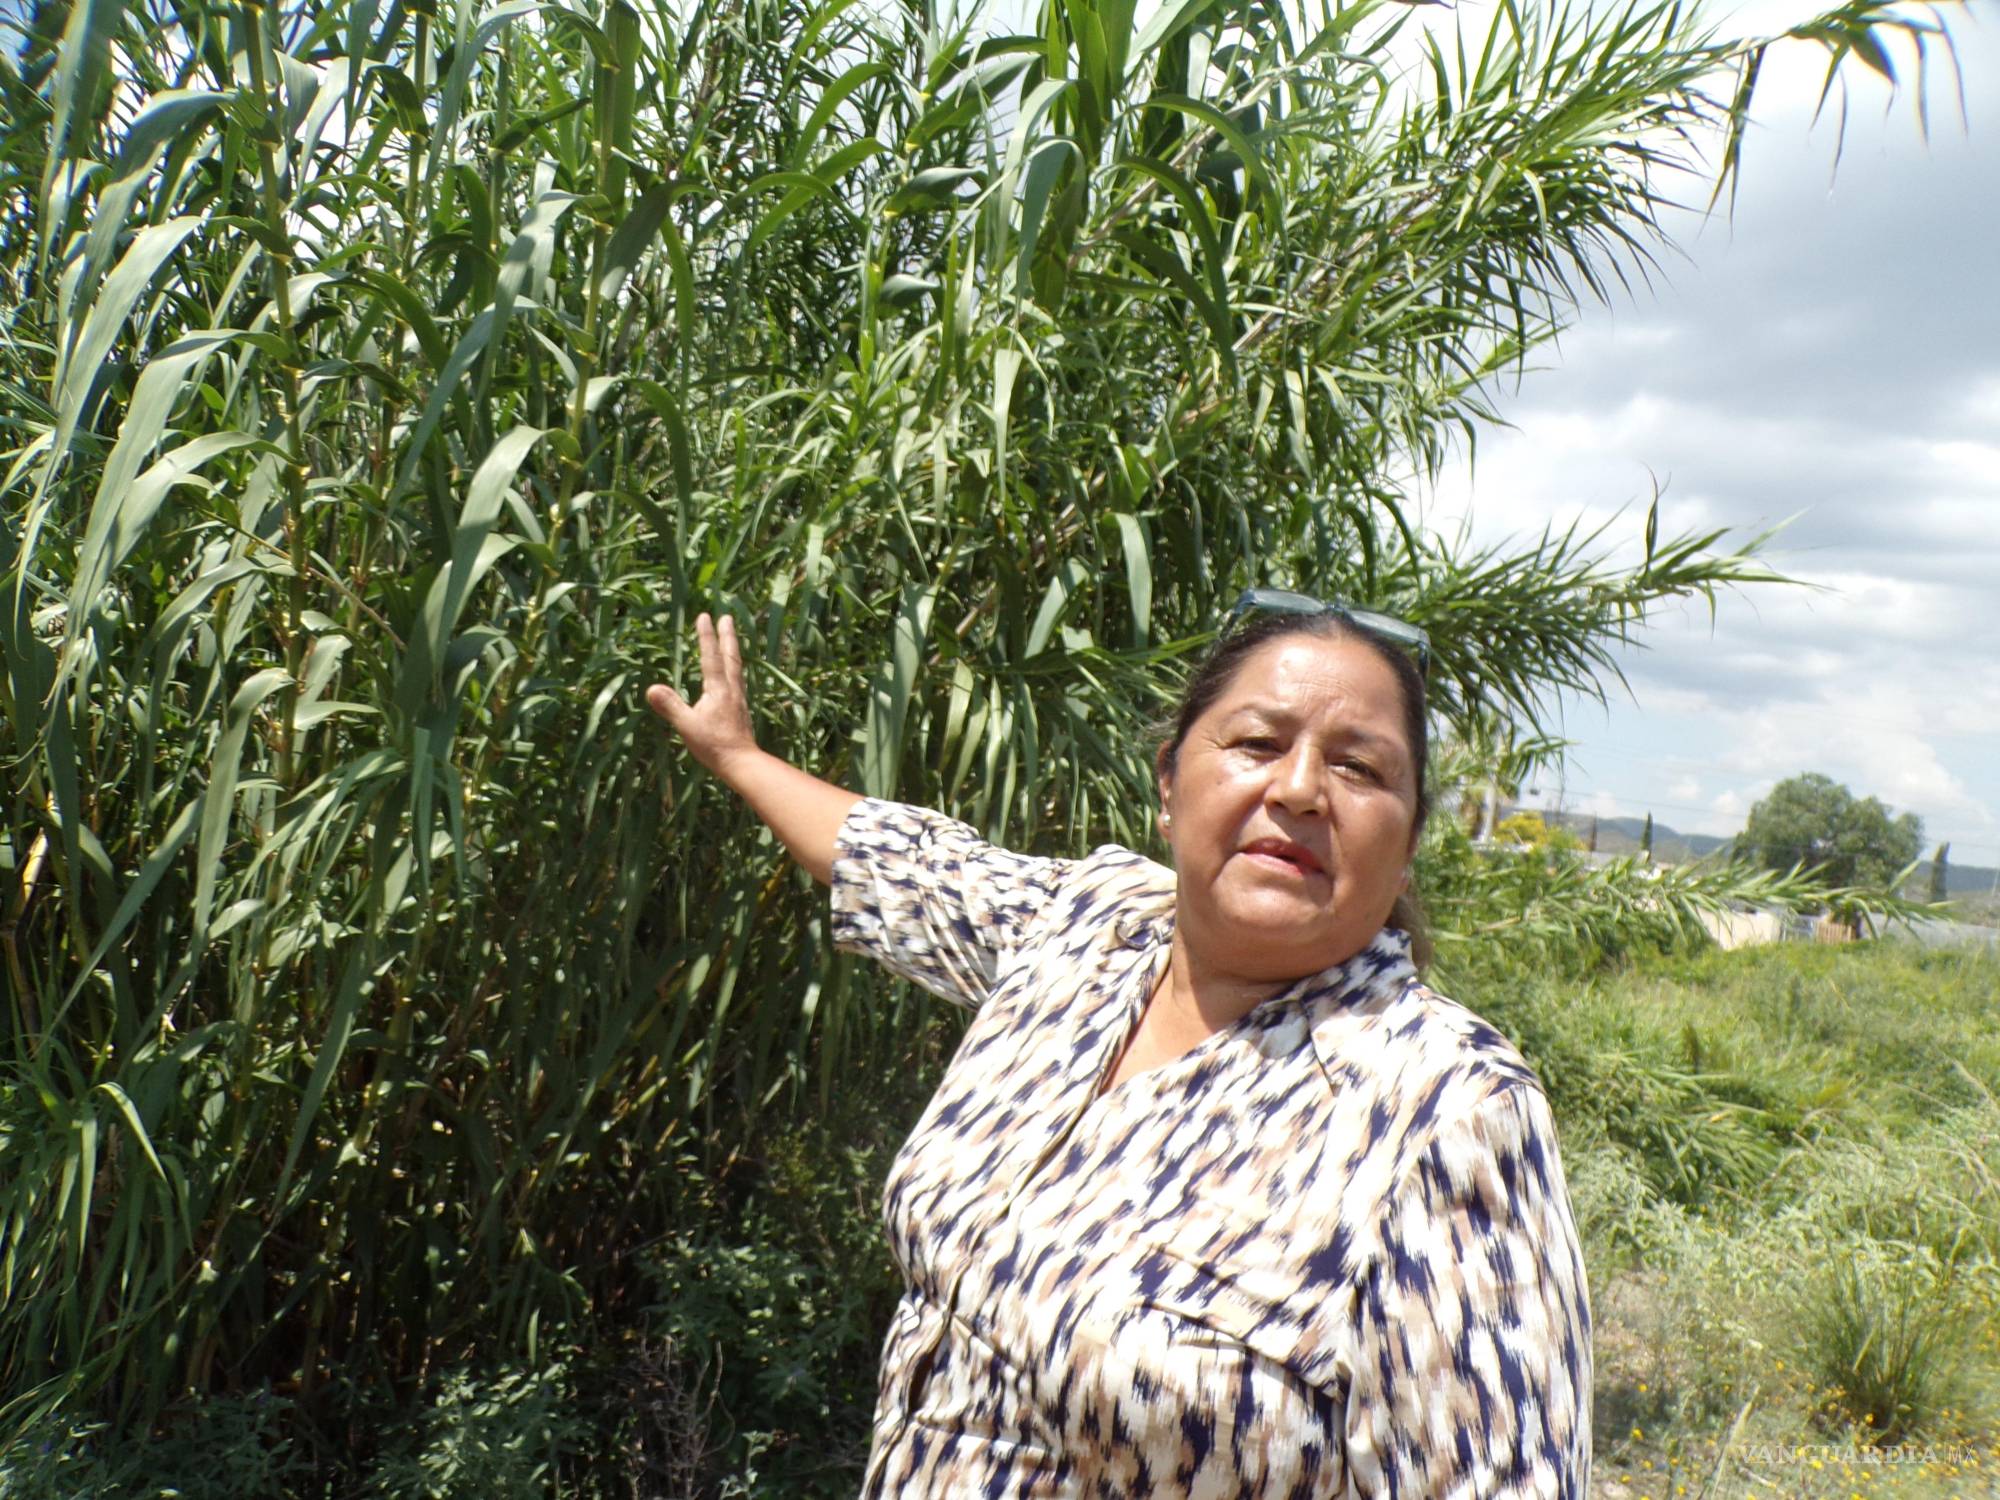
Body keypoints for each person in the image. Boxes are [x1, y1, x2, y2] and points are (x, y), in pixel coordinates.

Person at [646, 595, 1592, 1499]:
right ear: (1169, 783)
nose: (1299, 788)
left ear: (1410, 837)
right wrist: (737, 756)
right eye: (1258, 743)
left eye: (1360, 768)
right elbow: (895, 860)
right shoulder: (1086, 930)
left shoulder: (1445, 1109)